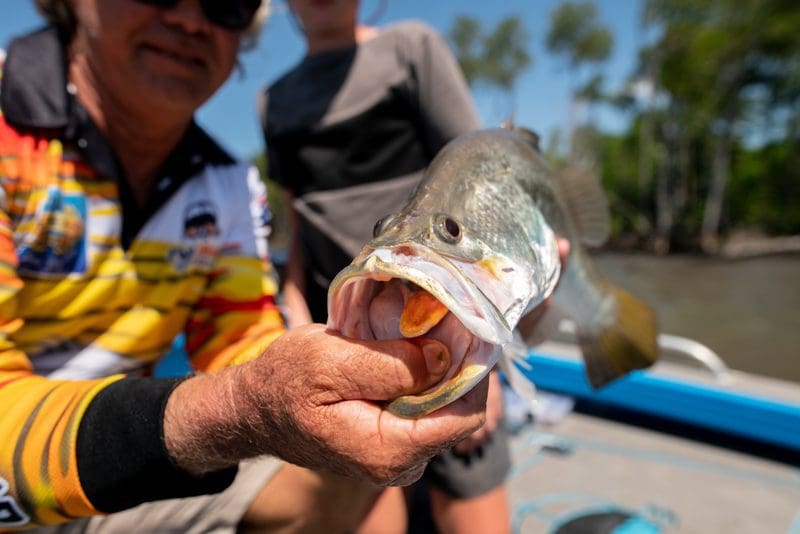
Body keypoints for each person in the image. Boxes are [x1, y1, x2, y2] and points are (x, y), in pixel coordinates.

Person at [0, 1, 491, 532]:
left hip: (111, 474)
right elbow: (240, 392)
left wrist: (351, 371)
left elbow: (243, 342)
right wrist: (237, 404)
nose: (190, 19)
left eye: (225, 4)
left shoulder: (227, 184)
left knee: (357, 477)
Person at [261, 1, 512, 532]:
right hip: (352, 340)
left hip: (453, 334)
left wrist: (494, 365)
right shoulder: (272, 102)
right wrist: (295, 304)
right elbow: (297, 222)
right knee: (364, 490)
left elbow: (477, 184)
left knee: (467, 481)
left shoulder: (410, 49)